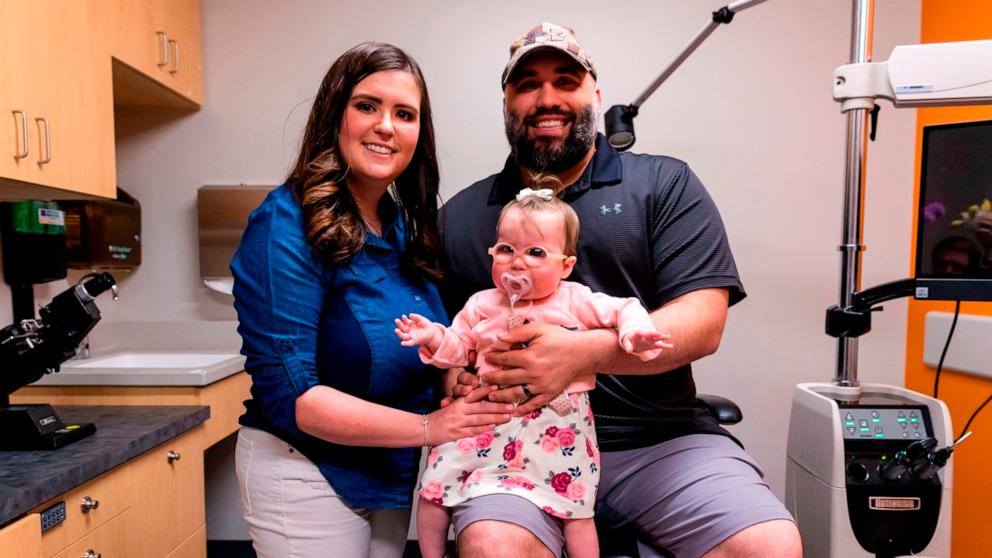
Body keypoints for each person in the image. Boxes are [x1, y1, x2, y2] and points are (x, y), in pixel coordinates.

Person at [440, 23, 803, 558]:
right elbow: (449, 339)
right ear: (507, 101)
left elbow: (704, 321)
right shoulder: (462, 216)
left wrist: (581, 354)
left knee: (768, 545)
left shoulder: (664, 184)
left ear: (596, 96)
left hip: (659, 442)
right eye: (527, 84)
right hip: (515, 450)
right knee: (493, 547)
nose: (547, 99)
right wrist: (452, 368)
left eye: (566, 80)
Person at [229, 42, 513, 558]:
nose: (386, 126)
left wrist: (456, 376)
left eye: (404, 114)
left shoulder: (405, 229)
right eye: (367, 106)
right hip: (307, 470)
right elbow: (295, 400)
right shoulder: (285, 224)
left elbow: (428, 343)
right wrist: (433, 427)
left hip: (390, 467)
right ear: (334, 115)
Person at [394, 188, 672, 558]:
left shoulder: (574, 299)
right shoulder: (481, 304)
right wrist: (434, 337)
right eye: (506, 250)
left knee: (575, 510)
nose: (517, 263)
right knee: (436, 485)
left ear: (566, 265)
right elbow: (460, 347)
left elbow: (624, 308)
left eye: (536, 253)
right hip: (487, 421)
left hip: (556, 427)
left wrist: (632, 332)